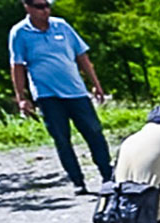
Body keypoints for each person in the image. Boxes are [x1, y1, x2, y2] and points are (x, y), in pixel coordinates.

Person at [8, 0, 112, 194]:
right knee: (62, 139)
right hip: (47, 95)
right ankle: (78, 181)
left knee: (94, 133)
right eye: (39, 7)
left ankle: (107, 174)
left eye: (47, 6)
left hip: (76, 91)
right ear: (27, 7)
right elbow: (17, 66)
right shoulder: (19, 33)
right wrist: (21, 97)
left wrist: (96, 85)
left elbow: (82, 56)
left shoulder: (62, 26)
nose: (45, 11)